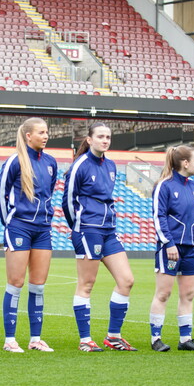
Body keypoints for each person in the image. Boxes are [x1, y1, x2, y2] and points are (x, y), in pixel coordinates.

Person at [62, 122, 136, 352]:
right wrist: (77, 228)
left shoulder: (111, 166)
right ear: (90, 139)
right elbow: (68, 201)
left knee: (126, 280)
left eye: (108, 137)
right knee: (87, 284)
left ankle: (113, 336)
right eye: (101, 136)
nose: (105, 140)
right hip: (88, 229)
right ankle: (85, 340)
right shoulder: (80, 165)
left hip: (108, 230)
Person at [0, 117, 57, 353]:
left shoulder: (50, 162)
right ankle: (10, 340)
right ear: (28, 136)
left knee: (38, 285)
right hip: (19, 227)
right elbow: (0, 195)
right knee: (16, 282)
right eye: (41, 132)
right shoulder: (15, 161)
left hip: (43, 229)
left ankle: (35, 339)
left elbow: (49, 193)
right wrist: (9, 223)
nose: (46, 135)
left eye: (47, 131)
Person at [148, 145, 194, 352]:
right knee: (163, 293)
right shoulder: (164, 186)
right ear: (185, 163)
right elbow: (159, 216)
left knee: (189, 294)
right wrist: (168, 243)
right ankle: (155, 338)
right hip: (170, 248)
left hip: (191, 248)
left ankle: (185, 339)